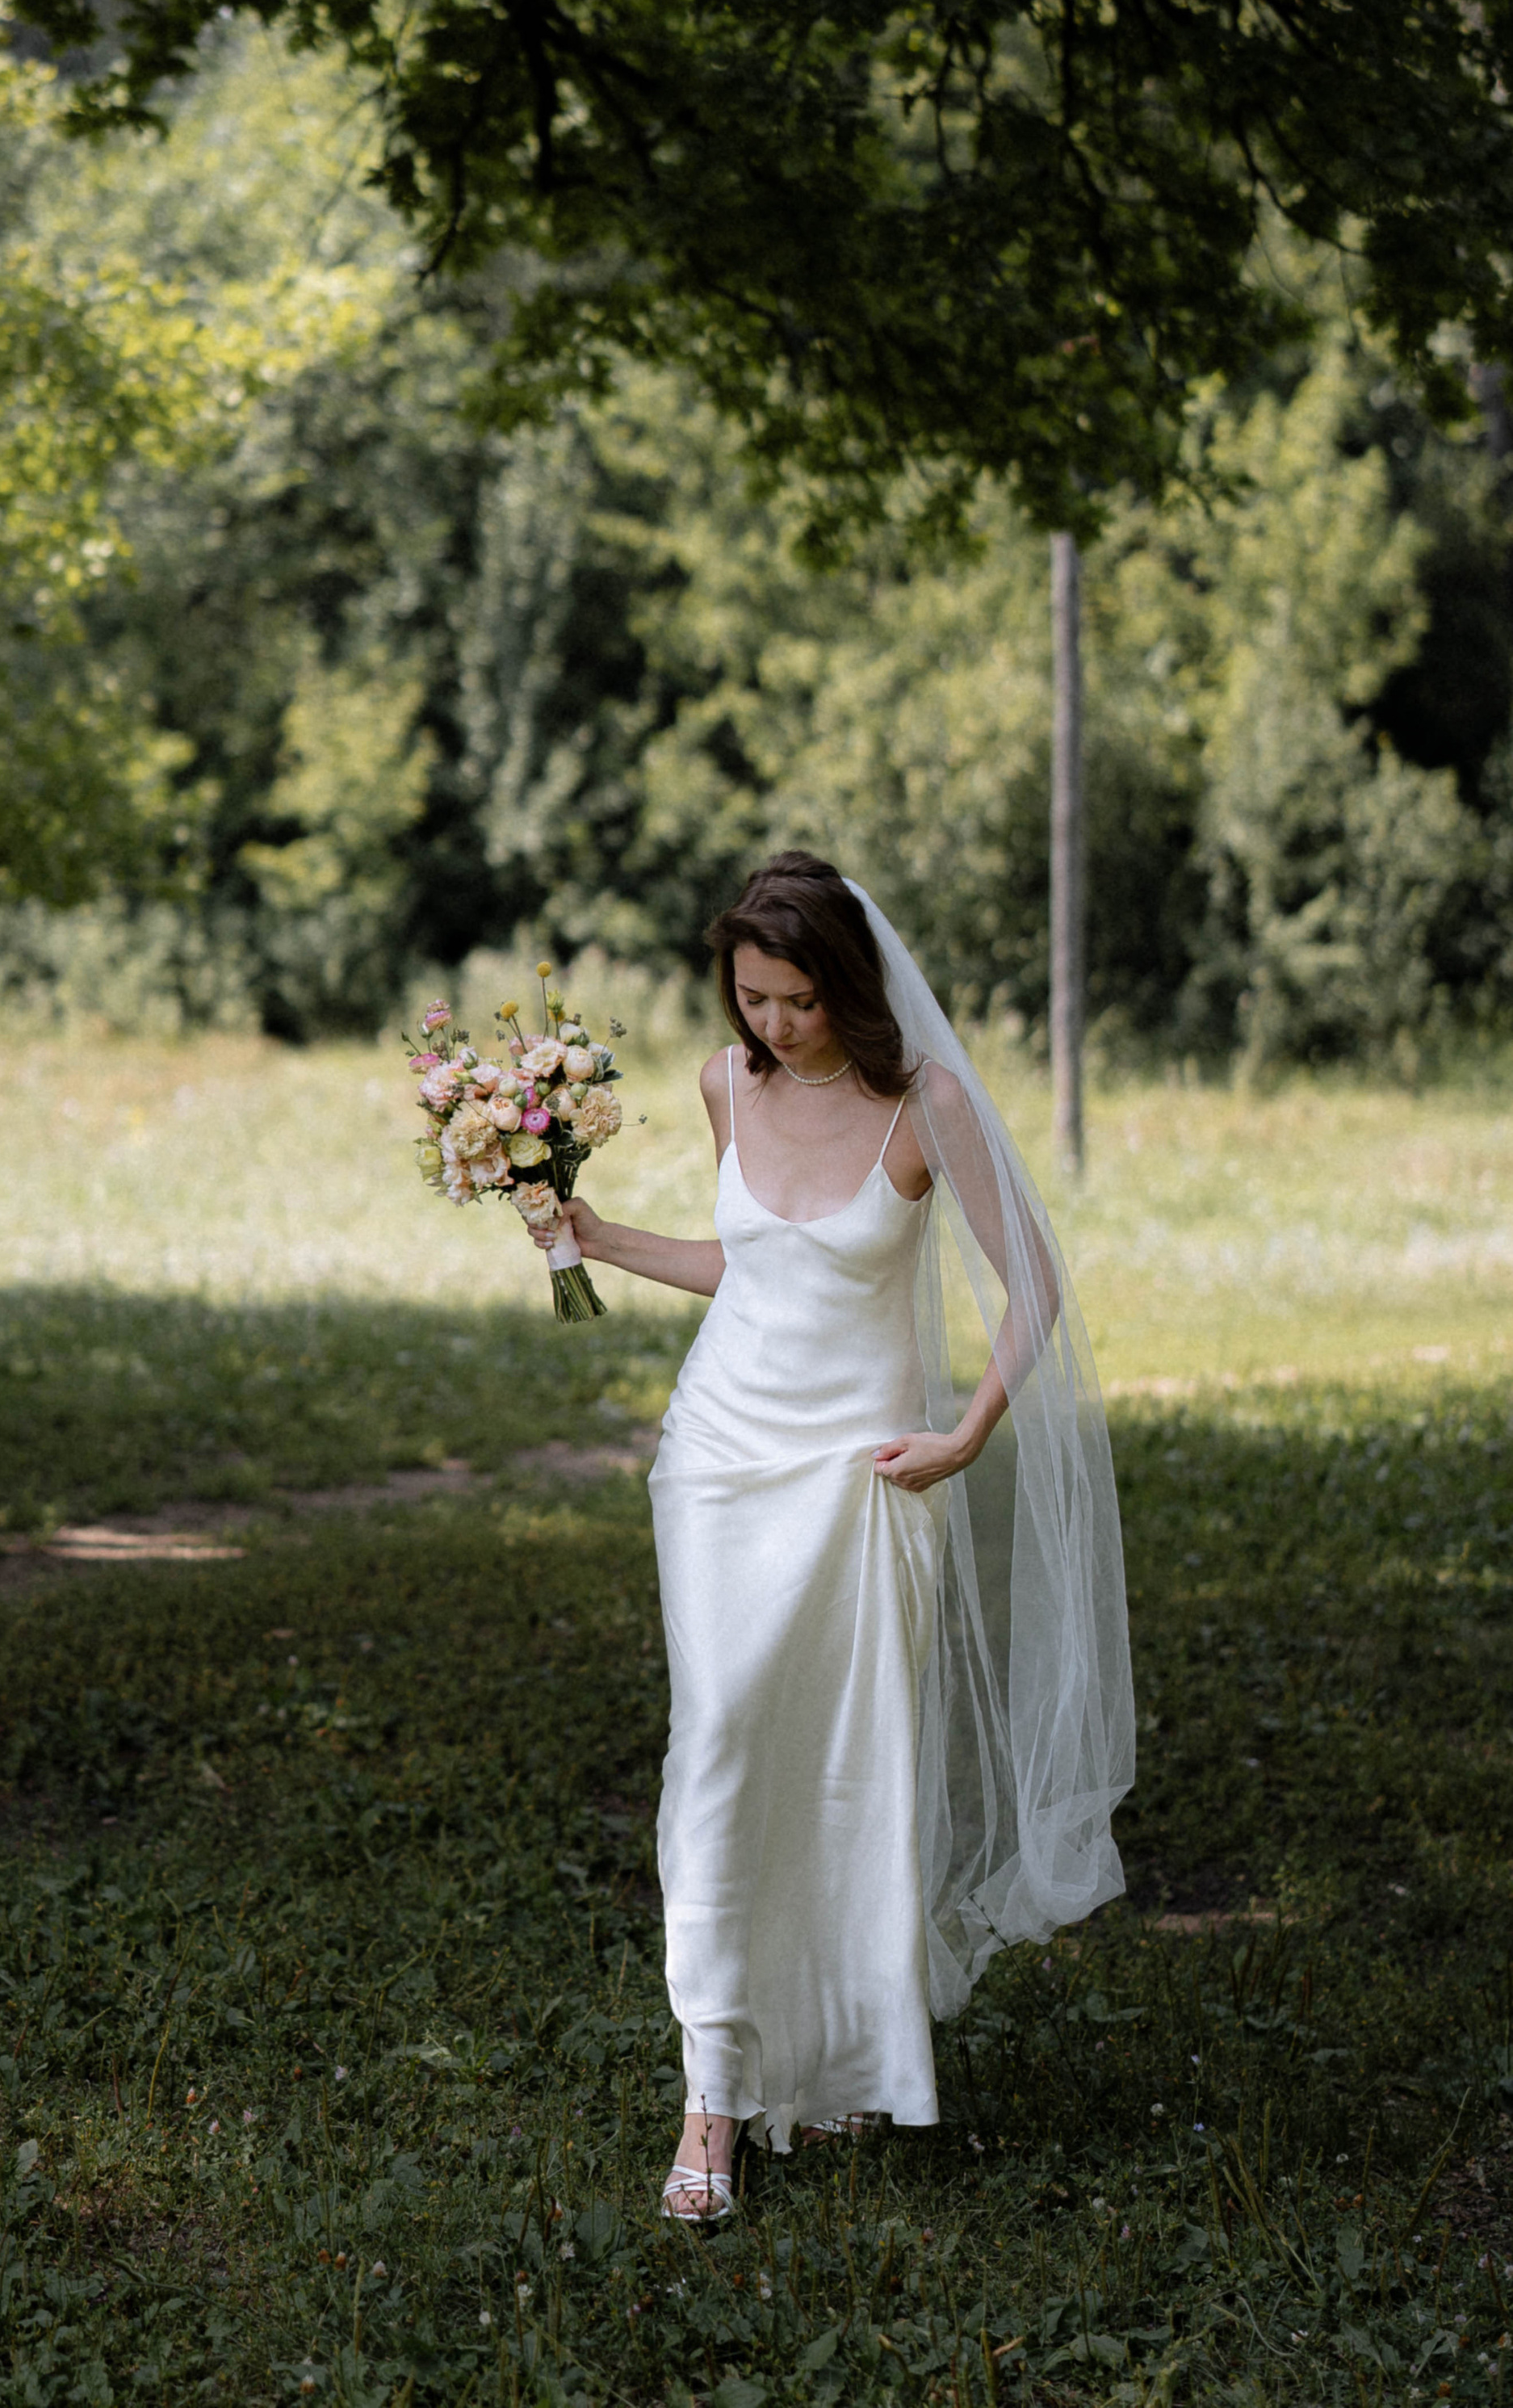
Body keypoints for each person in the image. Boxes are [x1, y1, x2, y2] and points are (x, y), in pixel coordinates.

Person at [533, 852, 1133, 2223]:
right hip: (719, 1461)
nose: (773, 1026)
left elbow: (1033, 1278)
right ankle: (713, 2098)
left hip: (861, 1477)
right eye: (751, 998)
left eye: (797, 999)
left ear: (847, 984)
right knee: (724, 1739)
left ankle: (850, 2048)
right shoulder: (722, 1082)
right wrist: (602, 1237)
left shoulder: (924, 1103)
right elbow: (752, 1263)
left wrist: (968, 1430)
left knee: (849, 1761)